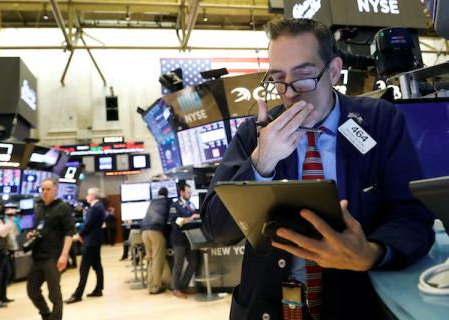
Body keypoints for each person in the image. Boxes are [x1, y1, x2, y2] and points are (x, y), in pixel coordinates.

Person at [201, 18, 435, 320]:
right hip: (270, 308)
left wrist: (372, 252)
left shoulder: (380, 121)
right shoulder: (255, 133)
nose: (289, 93)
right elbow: (215, 229)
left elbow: (413, 215)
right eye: (279, 78)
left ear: (334, 71)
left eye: (304, 75)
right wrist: (261, 162)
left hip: (356, 305)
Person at [27, 178, 74, 320]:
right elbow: (37, 227)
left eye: (48, 189)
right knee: (32, 291)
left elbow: (69, 232)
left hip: (53, 257)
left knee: (54, 294)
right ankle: (46, 315)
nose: (45, 192)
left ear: (55, 190)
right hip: (38, 257)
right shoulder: (39, 207)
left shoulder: (62, 207)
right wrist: (32, 233)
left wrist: (64, 255)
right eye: (43, 189)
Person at [66, 187, 106, 304]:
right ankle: (98, 289)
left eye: (88, 195)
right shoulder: (100, 207)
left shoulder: (94, 208)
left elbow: (87, 225)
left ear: (93, 196)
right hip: (95, 240)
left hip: (90, 242)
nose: (86, 197)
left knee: (84, 268)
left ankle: (78, 294)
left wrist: (79, 234)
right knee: (97, 266)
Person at [170, 183, 199, 298]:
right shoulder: (175, 205)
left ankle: (183, 286)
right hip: (179, 239)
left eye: (191, 192)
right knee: (178, 264)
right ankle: (176, 289)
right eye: (188, 192)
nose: (190, 194)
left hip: (191, 238)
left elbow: (195, 213)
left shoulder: (191, 204)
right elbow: (175, 221)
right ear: (181, 193)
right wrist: (190, 218)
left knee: (193, 262)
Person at [141, 187, 172, 294]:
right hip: (156, 231)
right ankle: (155, 287)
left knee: (151, 258)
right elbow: (171, 216)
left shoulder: (153, 201)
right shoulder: (168, 201)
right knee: (158, 259)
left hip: (144, 231)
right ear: (167, 194)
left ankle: (152, 283)